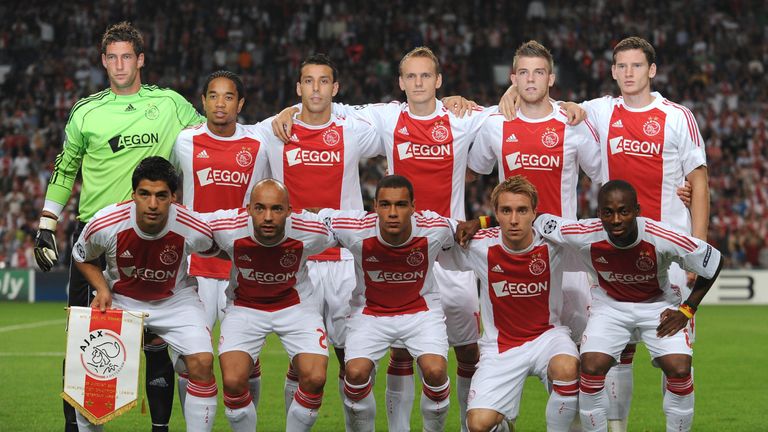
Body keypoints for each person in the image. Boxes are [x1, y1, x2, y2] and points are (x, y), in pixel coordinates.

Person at [34, 21, 204, 432]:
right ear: (103, 61)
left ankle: (160, 428)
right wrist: (46, 222)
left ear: (141, 59)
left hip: (154, 232)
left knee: (157, 340)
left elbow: (210, 139)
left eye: (127, 56)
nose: (119, 64)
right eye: (111, 57)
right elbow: (65, 167)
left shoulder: (170, 105)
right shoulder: (86, 111)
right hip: (96, 236)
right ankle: (76, 428)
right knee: (84, 344)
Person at [578, 36, 710, 431]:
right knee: (617, 351)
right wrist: (514, 92)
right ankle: (617, 428)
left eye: (637, 66)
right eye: (622, 66)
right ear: (613, 71)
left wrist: (698, 252)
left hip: (669, 255)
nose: (629, 73)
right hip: (614, 251)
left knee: (676, 358)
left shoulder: (677, 116)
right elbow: (555, 107)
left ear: (651, 71)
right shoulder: (600, 111)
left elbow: (698, 182)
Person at [534, 180, 723, 432]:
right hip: (610, 307)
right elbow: (531, 218)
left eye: (623, 211)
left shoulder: (661, 236)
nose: (615, 219)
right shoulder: (582, 232)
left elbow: (714, 261)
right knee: (591, 367)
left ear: (637, 210)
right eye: (607, 212)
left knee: (679, 369)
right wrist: (482, 222)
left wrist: (687, 309)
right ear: (598, 212)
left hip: (657, 305)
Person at [259, 53, 382, 423]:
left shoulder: (352, 129)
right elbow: (229, 129)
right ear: (298, 89)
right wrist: (286, 113)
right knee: (302, 364)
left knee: (352, 362)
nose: (316, 88)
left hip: (344, 261)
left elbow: (402, 111)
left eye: (323, 81)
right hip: (298, 264)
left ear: (335, 88)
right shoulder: (273, 130)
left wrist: (456, 103)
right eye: (308, 81)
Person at [72, 156, 219, 432]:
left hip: (175, 301)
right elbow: (81, 256)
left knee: (202, 363)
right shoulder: (106, 222)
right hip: (121, 299)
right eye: (145, 194)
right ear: (133, 195)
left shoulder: (193, 227)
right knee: (92, 376)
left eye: (161, 196)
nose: (153, 204)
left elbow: (216, 248)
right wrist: (101, 287)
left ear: (173, 197)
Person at [469, 40, 601, 347]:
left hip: (565, 253)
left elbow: (604, 175)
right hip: (514, 255)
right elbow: (472, 168)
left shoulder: (573, 123)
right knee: (503, 344)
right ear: (513, 79)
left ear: (551, 79)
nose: (531, 79)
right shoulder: (494, 124)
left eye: (539, 72)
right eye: (524, 73)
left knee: (585, 348)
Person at [441, 175, 580, 432]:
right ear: (495, 213)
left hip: (547, 338)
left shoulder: (554, 244)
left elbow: (593, 237)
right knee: (478, 425)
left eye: (522, 210)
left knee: (567, 368)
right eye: (506, 211)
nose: (514, 219)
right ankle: (504, 427)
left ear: (534, 213)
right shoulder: (479, 245)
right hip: (500, 347)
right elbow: (434, 237)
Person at [171, 70, 271, 410]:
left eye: (228, 96)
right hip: (195, 266)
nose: (220, 103)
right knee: (189, 359)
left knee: (244, 362)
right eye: (213, 95)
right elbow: (167, 186)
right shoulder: (184, 141)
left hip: (241, 267)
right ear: (203, 101)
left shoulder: (259, 143)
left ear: (240, 103)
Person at [326, 175, 456, 432]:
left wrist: (475, 224)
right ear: (374, 206)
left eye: (400, 205)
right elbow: (316, 218)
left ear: (413, 207)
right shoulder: (353, 228)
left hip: (420, 311)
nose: (393, 212)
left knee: (435, 371)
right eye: (385, 205)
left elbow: (461, 230)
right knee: (355, 374)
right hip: (370, 312)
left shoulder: (436, 228)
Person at [207, 179, 334, 431]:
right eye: (260, 208)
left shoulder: (313, 232)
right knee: (232, 381)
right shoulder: (225, 227)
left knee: (315, 378)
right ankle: (250, 359)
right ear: (247, 209)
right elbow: (196, 238)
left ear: (289, 211)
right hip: (245, 306)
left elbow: (338, 237)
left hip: (295, 306)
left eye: (276, 209)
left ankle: (294, 368)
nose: (267, 217)